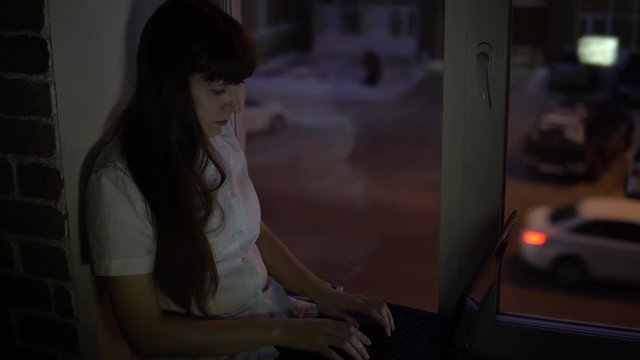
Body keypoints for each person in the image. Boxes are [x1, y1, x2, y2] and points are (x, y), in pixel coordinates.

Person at [85, 1, 395, 359]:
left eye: (238, 85)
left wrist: (322, 292)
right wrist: (284, 332)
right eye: (218, 90)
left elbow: (250, 231)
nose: (235, 104)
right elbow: (146, 334)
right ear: (167, 85)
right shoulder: (118, 182)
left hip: (275, 318)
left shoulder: (217, 139)